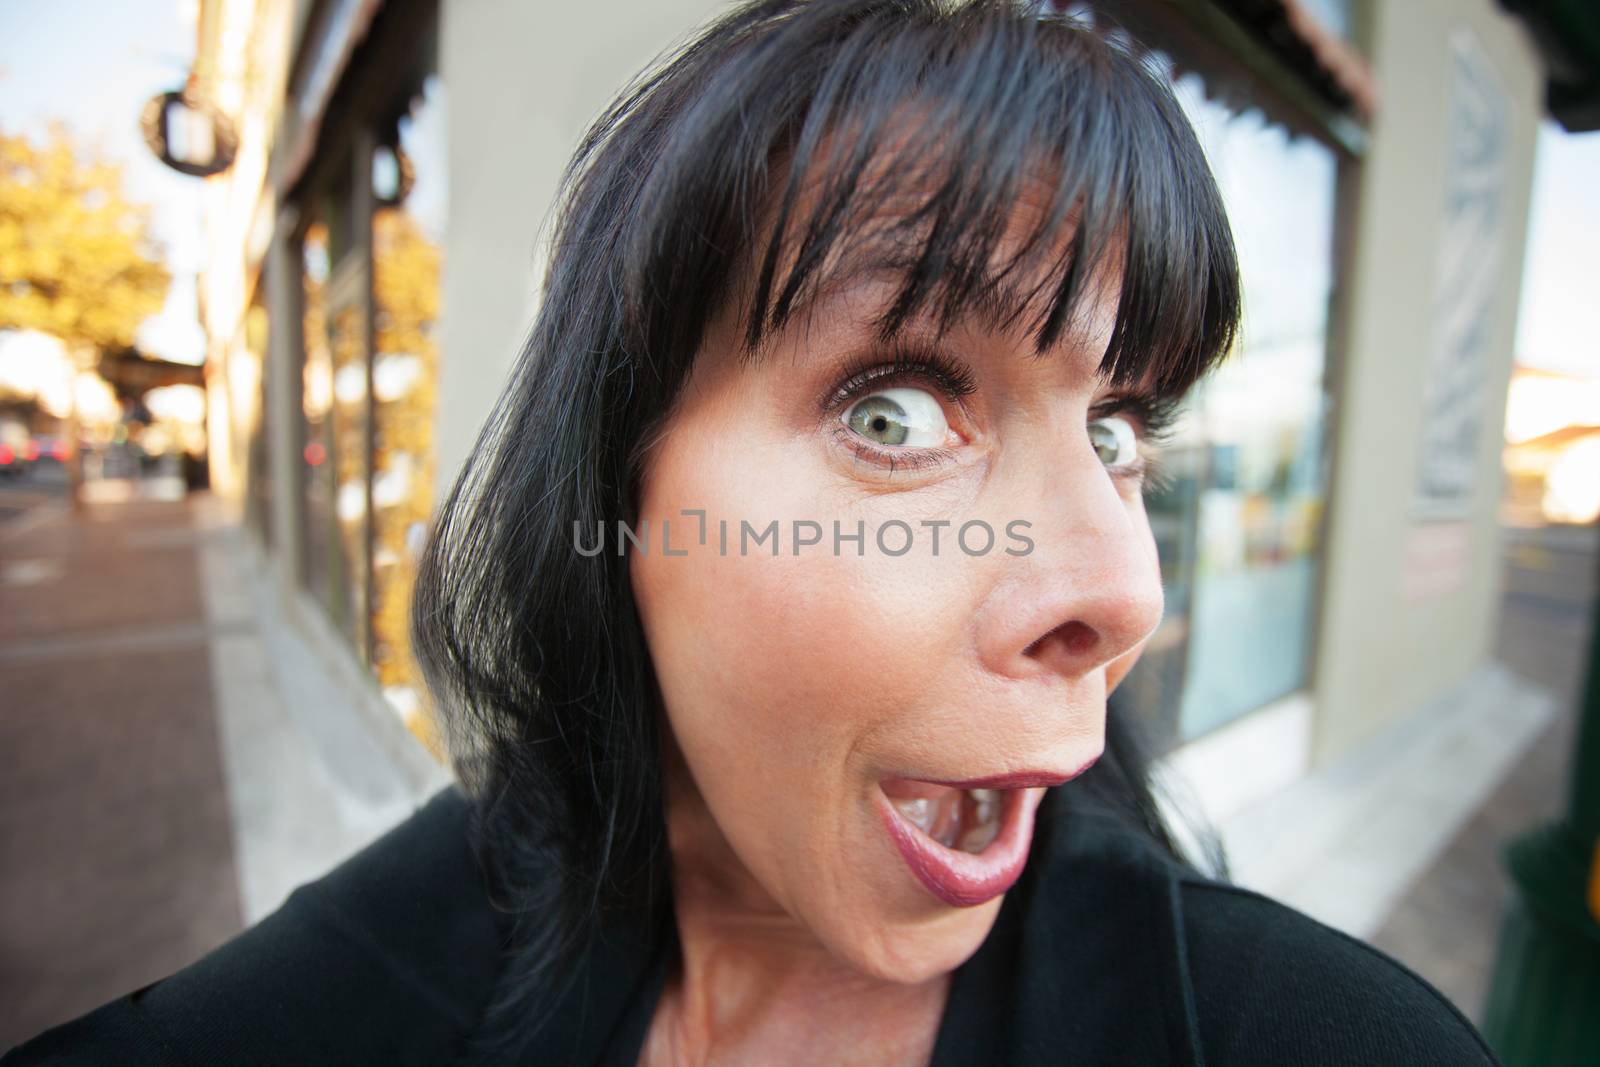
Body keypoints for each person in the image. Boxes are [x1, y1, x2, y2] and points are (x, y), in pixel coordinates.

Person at [5, 1, 1502, 1064]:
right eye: (898, 411)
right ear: (616, 497)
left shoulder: (1298, 1036)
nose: (1123, 589)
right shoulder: (446, 920)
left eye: (1119, 430)